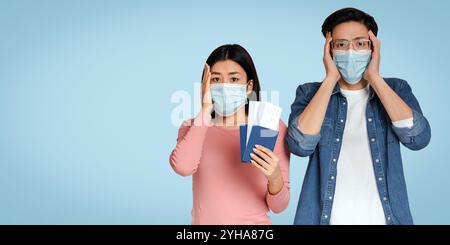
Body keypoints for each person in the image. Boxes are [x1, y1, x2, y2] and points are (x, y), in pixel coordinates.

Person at [286, 8, 431, 225]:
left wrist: (375, 77)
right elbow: (299, 145)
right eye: (341, 44)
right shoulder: (309, 93)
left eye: (360, 43)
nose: (351, 51)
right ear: (329, 50)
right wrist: (329, 80)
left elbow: (419, 139)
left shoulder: (396, 89)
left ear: (373, 47)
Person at [169, 44, 290, 224]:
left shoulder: (271, 127)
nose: (224, 86)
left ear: (249, 86)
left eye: (234, 79)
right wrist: (205, 110)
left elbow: (279, 207)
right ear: (206, 85)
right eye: (216, 80)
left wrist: (275, 177)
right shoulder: (193, 126)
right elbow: (183, 168)